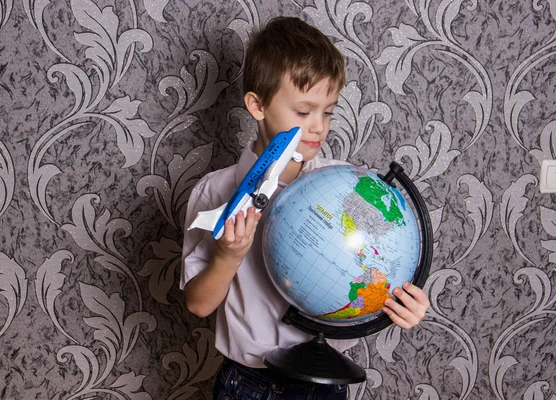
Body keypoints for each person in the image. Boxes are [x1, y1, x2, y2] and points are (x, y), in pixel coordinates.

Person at [180, 16, 430, 400]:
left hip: (326, 384)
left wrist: (400, 305)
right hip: (249, 384)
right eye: (303, 111)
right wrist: (228, 256)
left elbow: (376, 267)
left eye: (327, 112)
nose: (318, 127)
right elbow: (198, 305)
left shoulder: (347, 186)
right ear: (257, 105)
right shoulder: (215, 191)